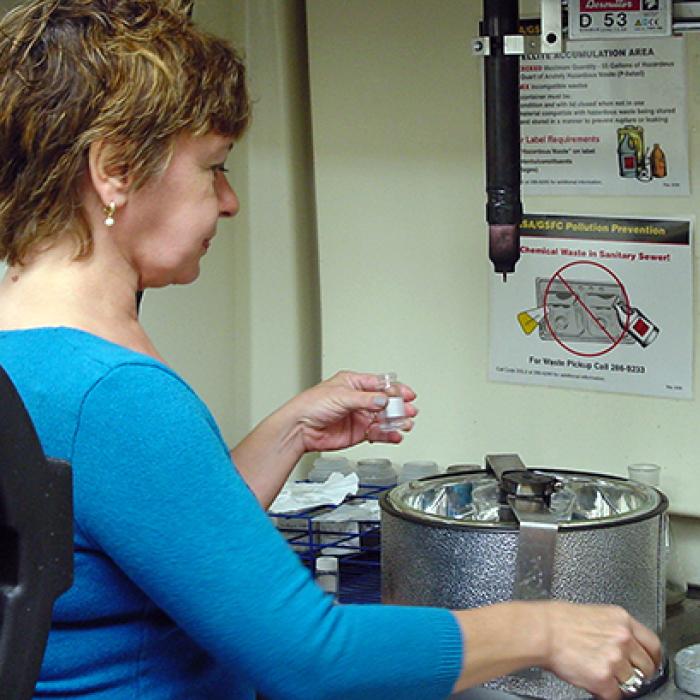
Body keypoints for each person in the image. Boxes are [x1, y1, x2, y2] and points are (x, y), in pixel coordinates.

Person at [0, 2, 661, 699]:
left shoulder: (32, 355)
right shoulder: (114, 392)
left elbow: (165, 544)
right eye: (213, 168)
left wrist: (290, 431)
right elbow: (313, 658)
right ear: (116, 169)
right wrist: (546, 631)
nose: (229, 201)